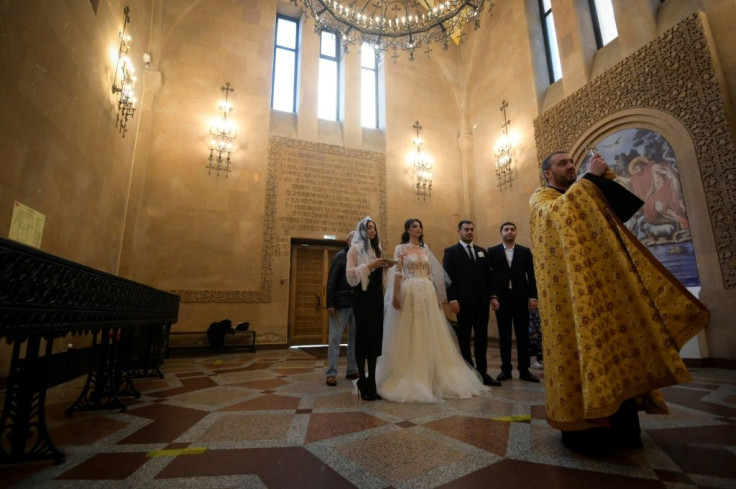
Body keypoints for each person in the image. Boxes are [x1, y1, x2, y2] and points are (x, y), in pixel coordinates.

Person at [529, 151, 709, 453]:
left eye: (572, 161)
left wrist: (600, 180)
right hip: (576, 301)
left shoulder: (586, 190)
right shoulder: (541, 199)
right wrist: (589, 179)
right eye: (562, 163)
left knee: (620, 350)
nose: (570, 166)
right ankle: (587, 435)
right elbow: (557, 215)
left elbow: (622, 211)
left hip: (606, 292)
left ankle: (625, 428)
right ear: (547, 173)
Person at [376, 219, 487, 403]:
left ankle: (434, 372)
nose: (418, 229)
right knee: (411, 331)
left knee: (430, 331)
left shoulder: (425, 249)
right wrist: (395, 295)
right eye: (414, 226)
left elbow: (430, 274)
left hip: (427, 291)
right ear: (408, 229)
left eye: (420, 226)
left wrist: (436, 295)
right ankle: (410, 371)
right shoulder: (400, 249)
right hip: (409, 291)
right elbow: (398, 272)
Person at [443, 220, 501, 387]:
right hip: (462, 302)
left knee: (482, 337)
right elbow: (448, 278)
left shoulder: (481, 251)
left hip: (482, 302)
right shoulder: (451, 252)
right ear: (459, 231)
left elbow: (489, 277)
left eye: (471, 230)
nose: (469, 232)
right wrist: (452, 300)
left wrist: (493, 297)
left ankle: (482, 372)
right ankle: (468, 372)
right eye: (466, 229)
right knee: (464, 337)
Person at [346, 216, 394, 401]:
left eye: (374, 228)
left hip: (375, 297)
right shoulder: (355, 250)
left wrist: (386, 266)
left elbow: (381, 278)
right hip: (361, 298)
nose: (372, 230)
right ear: (362, 231)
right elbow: (350, 276)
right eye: (368, 228)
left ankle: (372, 382)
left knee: (375, 339)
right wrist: (370, 266)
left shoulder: (377, 249)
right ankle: (363, 380)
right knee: (363, 337)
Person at [488, 222, 540, 383]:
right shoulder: (492, 251)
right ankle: (506, 369)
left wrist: (533, 297)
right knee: (504, 335)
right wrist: (493, 297)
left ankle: (524, 370)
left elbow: (531, 275)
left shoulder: (524, 251)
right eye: (506, 229)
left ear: (516, 232)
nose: (509, 232)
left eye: (512, 229)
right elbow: (490, 277)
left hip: (521, 298)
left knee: (523, 334)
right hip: (502, 299)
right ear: (501, 232)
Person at [324, 230, 359, 387]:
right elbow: (331, 280)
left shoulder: (361, 258)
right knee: (335, 338)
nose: (355, 240)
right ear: (347, 240)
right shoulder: (340, 256)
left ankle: (351, 369)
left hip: (357, 304)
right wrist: (330, 303)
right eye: (353, 238)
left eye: (358, 238)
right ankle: (331, 373)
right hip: (340, 303)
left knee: (354, 339)